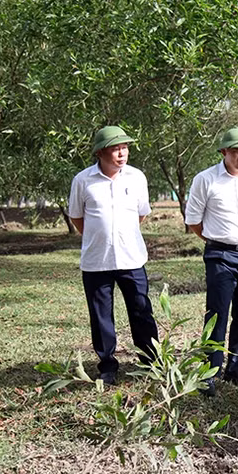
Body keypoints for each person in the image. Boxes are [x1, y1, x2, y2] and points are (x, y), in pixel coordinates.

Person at [68, 125, 159, 386]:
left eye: (125, 147)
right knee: (101, 315)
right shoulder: (83, 180)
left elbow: (141, 213)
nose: (122, 153)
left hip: (132, 258)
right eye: (116, 148)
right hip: (97, 261)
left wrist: (122, 235)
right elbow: (77, 217)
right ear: (100, 152)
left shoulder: (137, 177)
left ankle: (150, 361)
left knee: (142, 310)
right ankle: (107, 365)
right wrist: (101, 237)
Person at [184, 127, 238, 395]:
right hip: (220, 254)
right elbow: (194, 221)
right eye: (237, 152)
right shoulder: (206, 179)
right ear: (224, 152)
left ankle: (236, 369)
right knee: (217, 314)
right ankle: (209, 372)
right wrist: (217, 240)